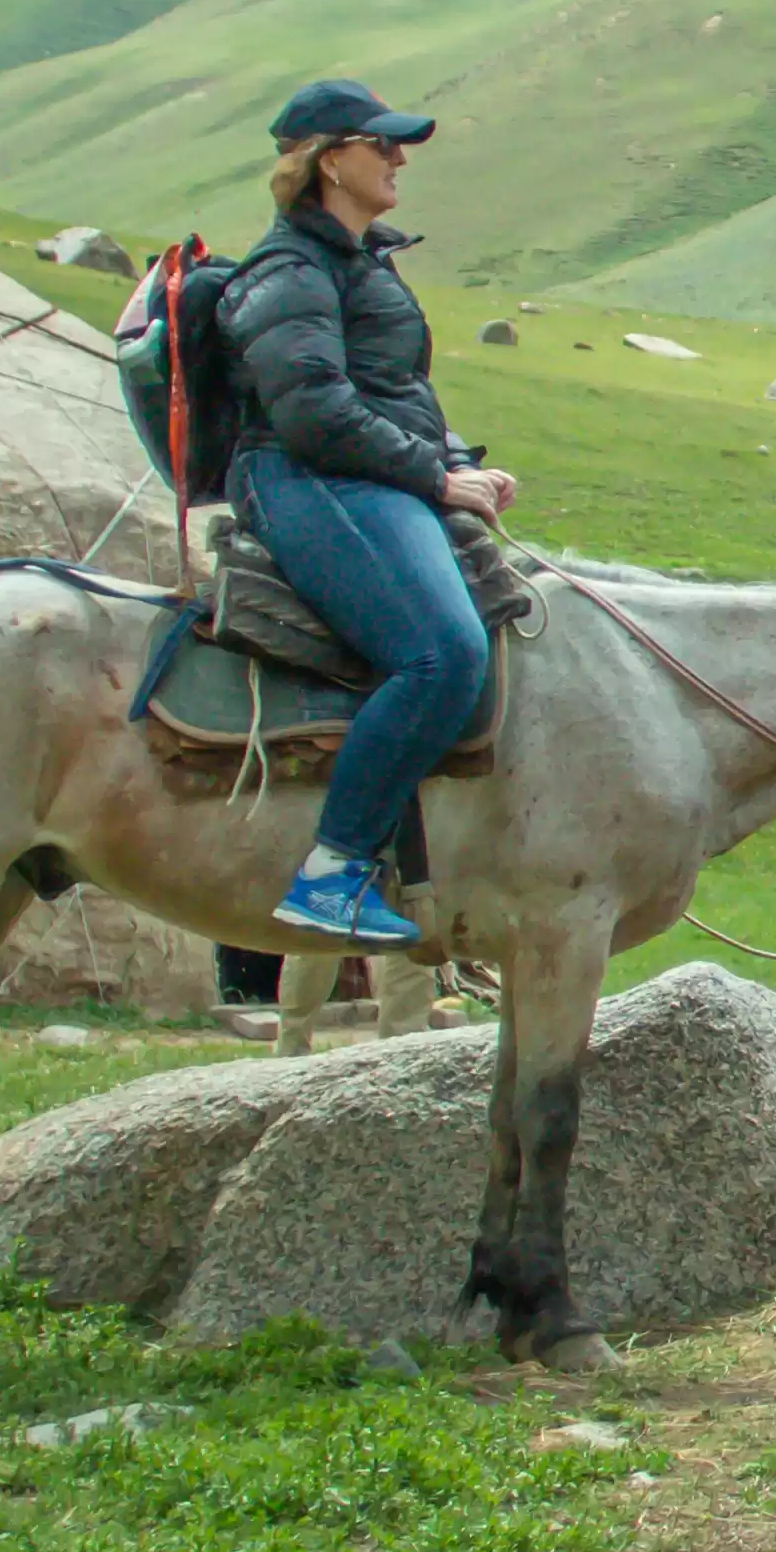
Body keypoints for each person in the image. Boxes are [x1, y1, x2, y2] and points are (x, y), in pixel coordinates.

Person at [217, 79, 518, 949]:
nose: (399, 159)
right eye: (381, 144)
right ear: (328, 161)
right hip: (303, 476)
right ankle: (333, 871)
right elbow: (312, 410)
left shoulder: (358, 263)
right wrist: (433, 478)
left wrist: (456, 462)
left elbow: (392, 392)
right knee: (443, 654)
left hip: (362, 473)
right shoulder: (289, 271)